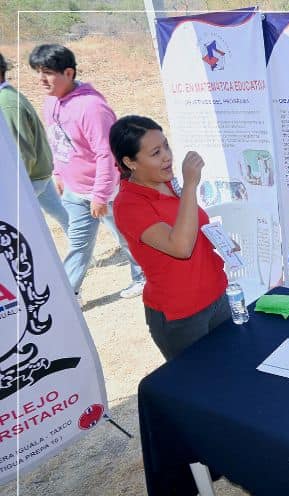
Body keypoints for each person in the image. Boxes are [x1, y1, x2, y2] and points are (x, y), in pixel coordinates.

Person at [29, 44, 145, 303]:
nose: (41, 79)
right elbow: (57, 142)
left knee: (127, 237)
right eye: (38, 72)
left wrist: (100, 195)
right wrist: (59, 173)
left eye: (47, 72)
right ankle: (68, 297)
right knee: (78, 245)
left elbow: (107, 154)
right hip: (76, 190)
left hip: (107, 192)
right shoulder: (51, 102)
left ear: (68, 73)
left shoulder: (92, 108)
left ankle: (143, 277)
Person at [110, 115, 228, 362]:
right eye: (156, 153)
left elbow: (194, 228)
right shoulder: (129, 204)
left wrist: (220, 242)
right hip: (181, 315)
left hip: (217, 295)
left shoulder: (169, 184)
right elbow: (181, 247)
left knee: (233, 370)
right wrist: (191, 185)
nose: (167, 156)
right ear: (130, 162)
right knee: (200, 381)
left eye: (166, 146)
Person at [0, 52, 69, 233]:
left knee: (20, 225)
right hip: (39, 170)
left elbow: (21, 150)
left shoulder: (5, 103)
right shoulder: (8, 95)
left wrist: (16, 186)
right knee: (60, 213)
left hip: (30, 177)